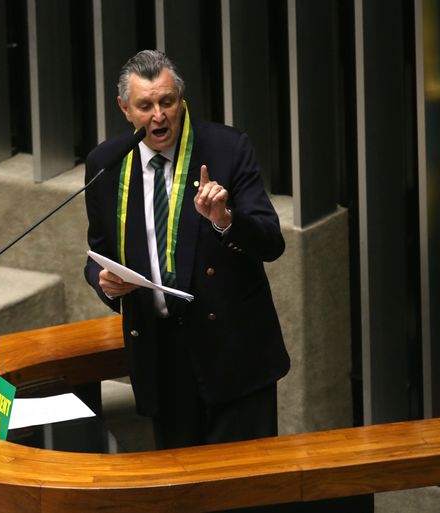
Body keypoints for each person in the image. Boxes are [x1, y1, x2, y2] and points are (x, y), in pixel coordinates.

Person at [84, 49, 290, 450]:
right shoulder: (105, 165)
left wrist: (225, 219)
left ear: (181, 101)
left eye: (167, 102)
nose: (159, 116)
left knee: (244, 491)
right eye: (146, 105)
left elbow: (271, 241)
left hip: (233, 353)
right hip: (163, 363)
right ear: (125, 109)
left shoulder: (227, 149)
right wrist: (105, 282)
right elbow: (97, 252)